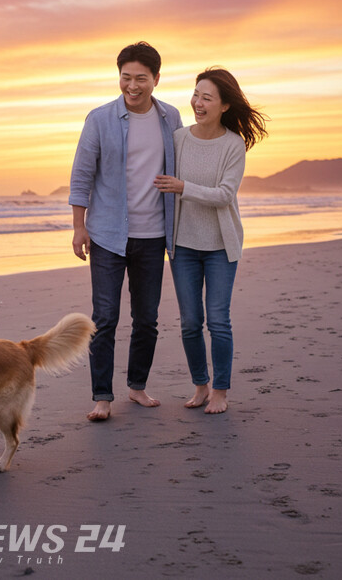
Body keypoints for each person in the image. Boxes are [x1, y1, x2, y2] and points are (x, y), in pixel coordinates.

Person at [69, 42, 183, 421]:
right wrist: (78, 228)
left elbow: (182, 168)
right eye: (125, 77)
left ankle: (136, 388)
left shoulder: (171, 118)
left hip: (153, 236)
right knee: (104, 317)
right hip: (107, 236)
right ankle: (102, 396)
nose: (132, 86)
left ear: (156, 79)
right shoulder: (100, 119)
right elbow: (81, 176)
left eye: (140, 78)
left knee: (146, 319)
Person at [153, 67, 267, 414]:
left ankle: (221, 391)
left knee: (218, 320)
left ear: (224, 106)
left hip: (221, 246)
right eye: (196, 94)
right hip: (183, 246)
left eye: (207, 98)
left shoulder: (233, 145)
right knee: (189, 323)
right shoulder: (178, 138)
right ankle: (200, 386)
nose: (197, 103)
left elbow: (223, 195)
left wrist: (184, 187)